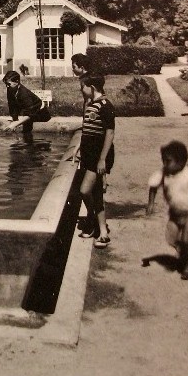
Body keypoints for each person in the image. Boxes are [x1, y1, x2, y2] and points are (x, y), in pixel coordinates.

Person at [146, 140, 188, 280]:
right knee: (171, 239)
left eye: (168, 161)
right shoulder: (163, 173)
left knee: (186, 241)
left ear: (181, 162)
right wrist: (150, 203)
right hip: (174, 215)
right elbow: (153, 186)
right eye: (163, 160)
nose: (165, 164)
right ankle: (183, 253)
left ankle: (187, 267)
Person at [71, 74, 115, 247]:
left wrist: (102, 160)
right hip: (89, 156)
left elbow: (109, 133)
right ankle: (101, 230)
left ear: (92, 87)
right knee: (94, 193)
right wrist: (79, 146)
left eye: (83, 86)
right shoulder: (91, 105)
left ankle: (97, 225)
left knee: (85, 190)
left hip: (98, 157)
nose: (81, 90)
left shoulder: (105, 105)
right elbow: (89, 131)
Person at [0, 70, 50, 137]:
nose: (7, 86)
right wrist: (15, 119)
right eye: (6, 84)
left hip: (41, 113)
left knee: (26, 130)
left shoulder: (24, 93)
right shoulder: (10, 89)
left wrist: (15, 124)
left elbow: (30, 113)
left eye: (8, 84)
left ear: (17, 82)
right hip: (29, 112)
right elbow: (12, 106)